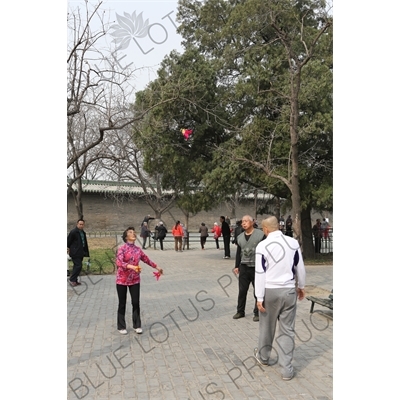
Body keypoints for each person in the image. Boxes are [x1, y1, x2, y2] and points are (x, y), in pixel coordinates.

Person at [253, 216, 306, 381]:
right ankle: (286, 370)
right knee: (287, 330)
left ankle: (264, 357)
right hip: (289, 290)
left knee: (267, 327)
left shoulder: (262, 246)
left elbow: (260, 273)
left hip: (270, 290)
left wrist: (259, 297)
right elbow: (300, 267)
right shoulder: (293, 243)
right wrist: (301, 286)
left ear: (266, 229)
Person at [115, 227, 164, 335]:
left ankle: (137, 325)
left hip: (135, 280)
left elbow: (146, 259)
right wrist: (132, 266)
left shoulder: (138, 249)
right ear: (126, 236)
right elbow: (119, 262)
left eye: (134, 232)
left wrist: (157, 267)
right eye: (130, 232)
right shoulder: (122, 249)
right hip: (121, 279)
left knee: (136, 302)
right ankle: (121, 326)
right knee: (122, 303)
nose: (133, 234)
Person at [232, 215, 265, 321]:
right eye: (242, 222)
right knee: (242, 291)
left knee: (258, 291)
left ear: (252, 222)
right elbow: (238, 252)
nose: (243, 223)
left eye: (246, 221)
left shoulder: (261, 235)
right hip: (244, 267)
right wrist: (237, 266)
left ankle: (257, 312)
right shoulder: (240, 237)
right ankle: (240, 311)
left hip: (257, 268)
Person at [67, 218, 90, 287]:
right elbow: (68, 241)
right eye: (80, 224)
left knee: (77, 266)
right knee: (78, 266)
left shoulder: (83, 232)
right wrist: (68, 249)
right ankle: (72, 279)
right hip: (75, 252)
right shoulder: (73, 232)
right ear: (77, 224)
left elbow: (84, 242)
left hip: (81, 252)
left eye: (82, 224)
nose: (81, 225)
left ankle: (75, 280)